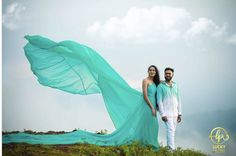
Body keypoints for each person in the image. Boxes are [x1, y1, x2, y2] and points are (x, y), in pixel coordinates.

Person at [3, 35, 160, 150]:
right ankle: (148, 144)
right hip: (146, 105)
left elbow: (158, 95)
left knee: (151, 124)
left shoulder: (156, 82)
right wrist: (152, 107)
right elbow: (145, 95)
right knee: (148, 122)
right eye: (150, 69)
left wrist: (157, 106)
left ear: (156, 72)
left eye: (154, 70)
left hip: (153, 106)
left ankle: (148, 142)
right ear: (148, 71)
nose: (152, 71)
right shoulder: (145, 81)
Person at [156, 67, 182, 151]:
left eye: (169, 73)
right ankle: (171, 150)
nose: (167, 75)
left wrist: (180, 113)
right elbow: (159, 101)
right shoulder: (160, 86)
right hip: (167, 114)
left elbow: (179, 99)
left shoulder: (175, 85)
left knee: (172, 131)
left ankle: (169, 148)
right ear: (164, 74)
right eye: (166, 73)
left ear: (172, 74)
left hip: (175, 113)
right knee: (170, 130)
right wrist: (162, 114)